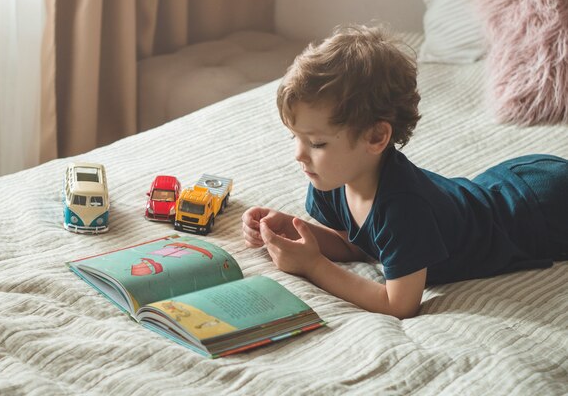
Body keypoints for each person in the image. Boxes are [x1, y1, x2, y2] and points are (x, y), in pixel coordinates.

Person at [241, 25, 568, 319]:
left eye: (317, 143)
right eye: (295, 137)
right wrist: (296, 232)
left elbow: (400, 304)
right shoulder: (331, 179)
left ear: (375, 137)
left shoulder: (404, 209)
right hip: (502, 187)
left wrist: (314, 265)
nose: (299, 155)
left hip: (541, 209)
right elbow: (357, 244)